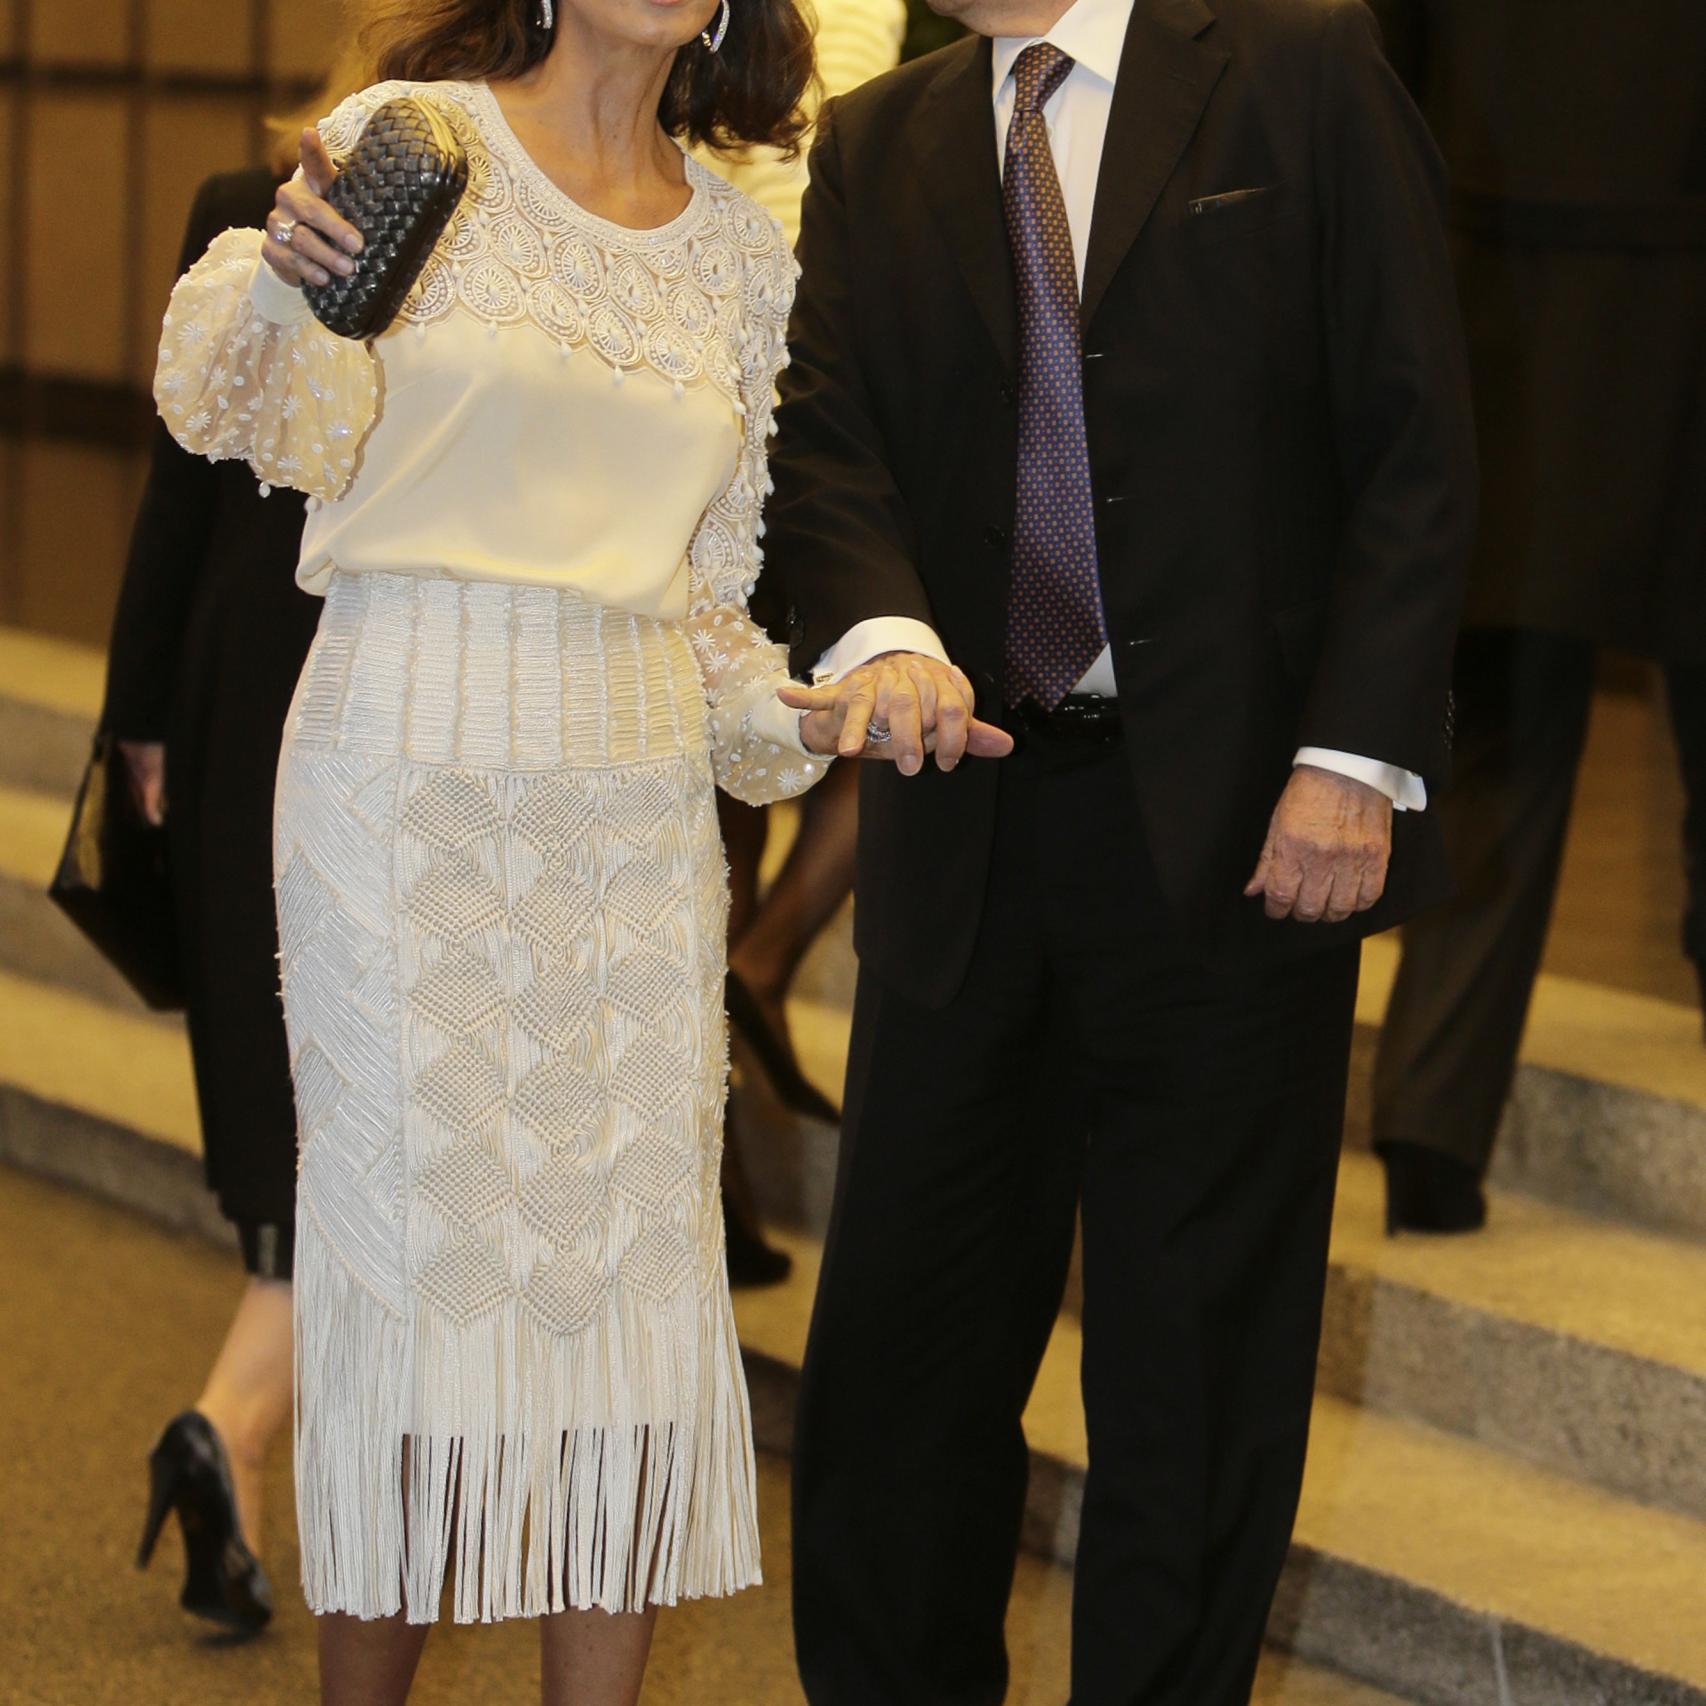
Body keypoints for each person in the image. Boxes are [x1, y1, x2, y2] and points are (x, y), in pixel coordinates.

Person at [148, 0, 865, 1693]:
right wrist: (278, 273)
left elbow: (703, 607)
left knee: (630, 1312)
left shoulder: (742, 261)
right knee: (409, 1300)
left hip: (629, 808)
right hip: (400, 778)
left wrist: (823, 707)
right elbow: (238, 406)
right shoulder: (419, 143)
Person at [766, 0, 1476, 1699]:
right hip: (967, 821)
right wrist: (874, 632)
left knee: (1198, 1384)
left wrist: (1349, 758)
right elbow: (828, 440)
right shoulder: (883, 143)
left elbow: (1414, 435)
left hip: (1243, 833)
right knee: (898, 1373)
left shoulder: (1297, 71)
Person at [1366, 0, 1706, 1234]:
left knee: (1497, 736)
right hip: (1661, 301)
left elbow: (1372, 85)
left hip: (1498, 311)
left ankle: (1429, 1122)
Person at [112, 47, 369, 1635]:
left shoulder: (237, 198)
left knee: (288, 1089)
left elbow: (172, 500)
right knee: (330, 1097)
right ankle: (241, 1436)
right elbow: (185, 468)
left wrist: (140, 715)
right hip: (347, 688)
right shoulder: (294, 224)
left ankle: (240, 1455)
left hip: (228, 685)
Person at [711, 0, 909, 1284]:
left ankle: (750, 977)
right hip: (766, 355)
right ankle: (756, 966)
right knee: (723, 781)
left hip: (793, 361)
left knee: (817, 737)